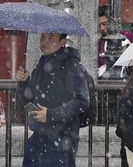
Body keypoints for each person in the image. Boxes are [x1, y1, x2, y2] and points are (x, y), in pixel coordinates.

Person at [16, 32, 90, 167]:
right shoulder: (41, 65)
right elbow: (29, 103)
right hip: (38, 137)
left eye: (51, 38)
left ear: (63, 42)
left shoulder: (71, 65)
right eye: (42, 37)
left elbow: (82, 100)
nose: (45, 42)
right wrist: (24, 83)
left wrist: (50, 115)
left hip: (62, 140)